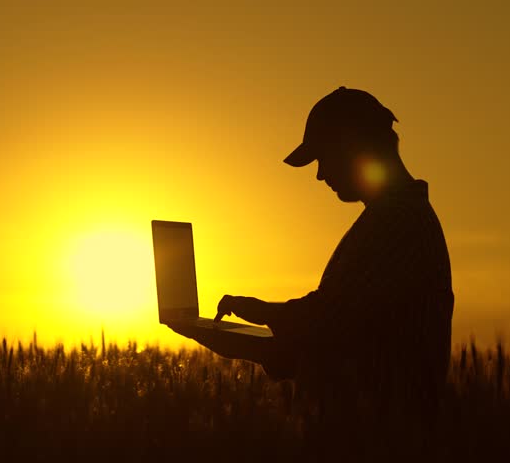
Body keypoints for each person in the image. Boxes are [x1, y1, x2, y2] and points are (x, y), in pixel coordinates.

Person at [169, 86, 454, 409]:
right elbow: (337, 335)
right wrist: (248, 329)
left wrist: (260, 316)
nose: (320, 175)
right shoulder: (395, 218)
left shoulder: (398, 223)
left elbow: (327, 325)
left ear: (352, 148)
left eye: (323, 157)